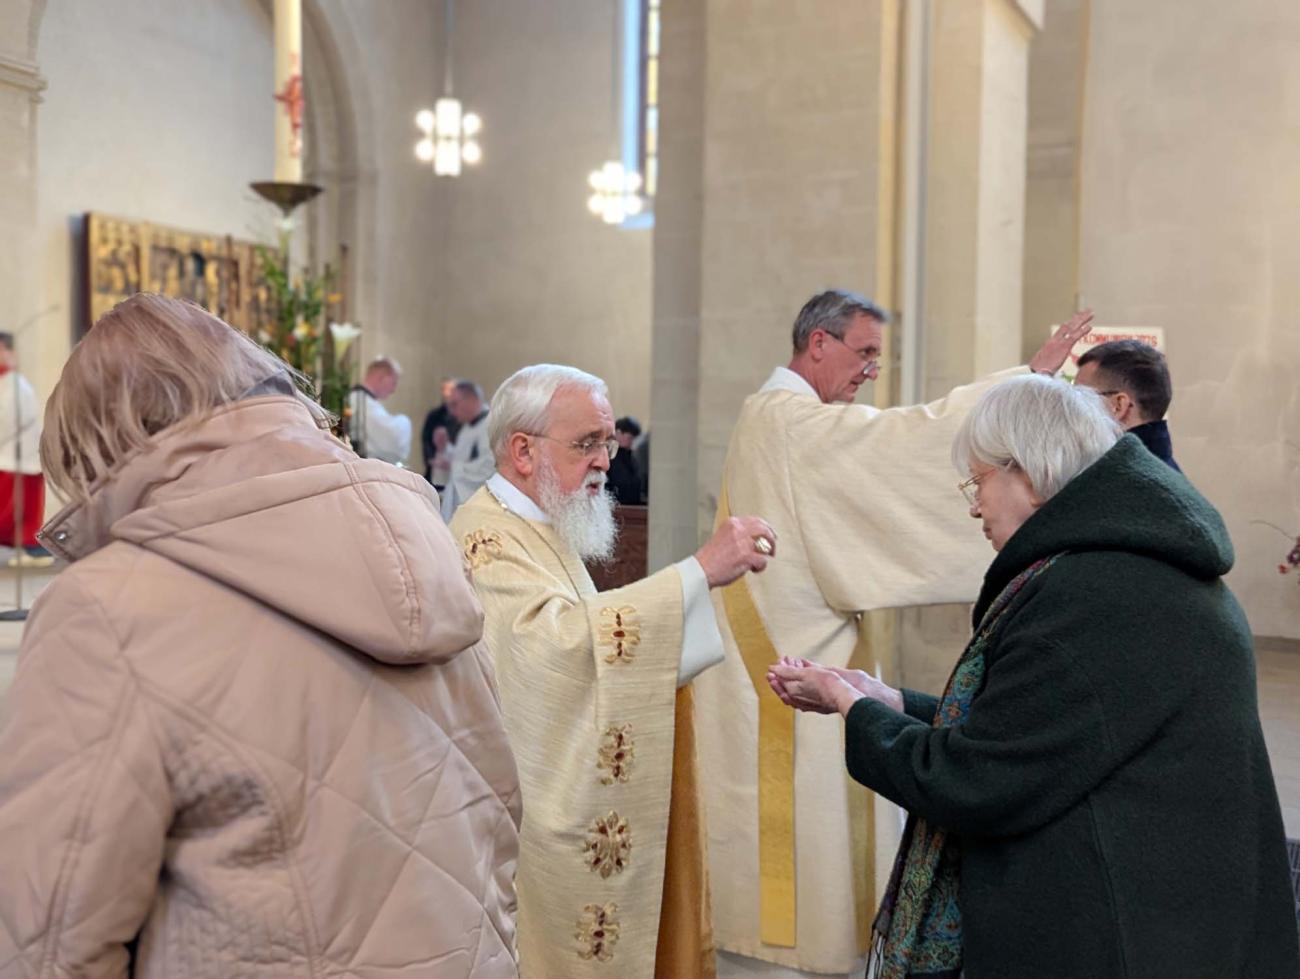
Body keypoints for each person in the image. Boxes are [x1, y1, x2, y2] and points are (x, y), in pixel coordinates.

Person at [0, 295, 522, 977]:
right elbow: (500, 816)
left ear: (97, 443)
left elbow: (50, 937)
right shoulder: (426, 546)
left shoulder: (108, 608)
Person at [768, 375, 1300, 979]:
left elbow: (978, 780)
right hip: (1170, 913)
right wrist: (891, 700)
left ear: (1029, 471)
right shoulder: (1130, 565)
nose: (973, 504)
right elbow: (1040, 729)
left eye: (978, 480)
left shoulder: (1094, 594)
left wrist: (850, 706)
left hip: (1122, 937)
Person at [692, 288, 1095, 977]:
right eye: (866, 351)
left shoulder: (787, 418)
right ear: (817, 343)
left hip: (802, 649)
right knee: (792, 888)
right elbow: (904, 440)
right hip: (786, 672)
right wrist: (1023, 390)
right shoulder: (785, 419)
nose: (872, 369)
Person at [448, 363, 776, 979]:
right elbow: (553, 652)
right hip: (525, 822)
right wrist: (697, 571)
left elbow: (587, 632)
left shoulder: (534, 523)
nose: (605, 459)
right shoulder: (486, 540)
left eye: (608, 441)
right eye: (587, 443)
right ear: (523, 450)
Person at [1074, 338, 1181, 470]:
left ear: (1118, 405)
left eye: (1080, 396)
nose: (1073, 408)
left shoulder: (1116, 481)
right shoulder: (1161, 471)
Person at [0, 331, 52, 567]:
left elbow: (8, 420)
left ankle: (28, 549)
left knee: (15, 511)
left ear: (9, 352)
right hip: (11, 459)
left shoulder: (14, 384)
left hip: (15, 461)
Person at [439, 379, 493, 520]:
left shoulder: (491, 426)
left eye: (454, 404)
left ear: (472, 400)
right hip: (459, 503)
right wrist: (445, 448)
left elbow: (490, 467)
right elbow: (463, 458)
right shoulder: (467, 427)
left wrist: (453, 466)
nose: (452, 411)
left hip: (478, 508)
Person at [348, 355, 412, 465]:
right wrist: (404, 420)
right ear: (381, 377)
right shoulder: (361, 401)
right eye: (393, 382)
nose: (393, 390)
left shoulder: (359, 399)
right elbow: (392, 440)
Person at [421, 376, 462, 489]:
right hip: (435, 469)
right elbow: (426, 439)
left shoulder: (463, 417)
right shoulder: (434, 415)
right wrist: (431, 459)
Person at [607, 415, 644, 505]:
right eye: (630, 438)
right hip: (618, 506)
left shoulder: (632, 457)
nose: (633, 442)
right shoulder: (610, 455)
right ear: (618, 433)